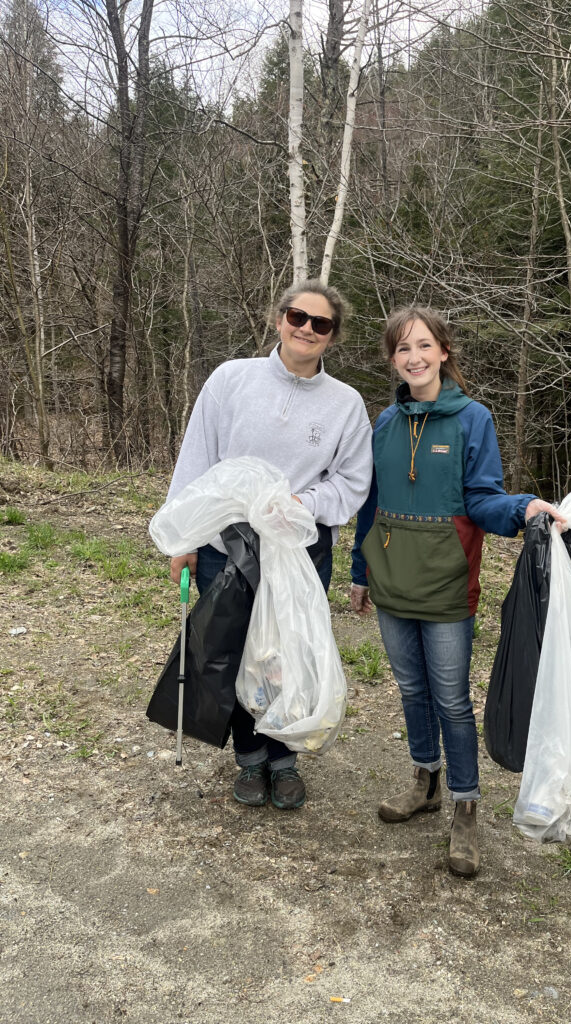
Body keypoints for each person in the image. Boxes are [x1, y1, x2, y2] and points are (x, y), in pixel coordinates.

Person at [349, 306, 566, 877]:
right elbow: (370, 505)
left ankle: (466, 805)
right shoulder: (385, 424)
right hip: (391, 582)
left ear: (444, 351)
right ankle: (425, 783)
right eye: (401, 349)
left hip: (447, 587)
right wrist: (358, 568)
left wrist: (525, 509)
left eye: (423, 346)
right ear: (392, 359)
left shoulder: (473, 419)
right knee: (412, 692)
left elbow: (482, 499)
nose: (413, 357)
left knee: (450, 699)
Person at [167, 279, 372, 810]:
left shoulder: (345, 405)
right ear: (279, 318)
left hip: (300, 551)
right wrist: (184, 539)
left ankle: (284, 763)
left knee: (286, 655)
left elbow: (351, 482)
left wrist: (301, 504)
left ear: (332, 336)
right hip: (225, 546)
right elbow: (198, 461)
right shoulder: (230, 379)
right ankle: (249, 760)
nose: (306, 329)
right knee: (233, 653)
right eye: (297, 317)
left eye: (320, 324)